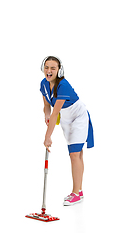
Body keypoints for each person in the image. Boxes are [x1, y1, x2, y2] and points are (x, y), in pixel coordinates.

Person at [40, 56, 94, 206]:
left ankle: (76, 193)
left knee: (74, 153)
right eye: (46, 67)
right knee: (76, 154)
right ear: (43, 69)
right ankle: (80, 190)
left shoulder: (63, 85)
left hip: (78, 116)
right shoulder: (43, 84)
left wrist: (47, 137)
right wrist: (46, 114)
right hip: (66, 117)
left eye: (53, 68)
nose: (49, 71)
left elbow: (55, 112)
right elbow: (47, 105)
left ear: (59, 70)